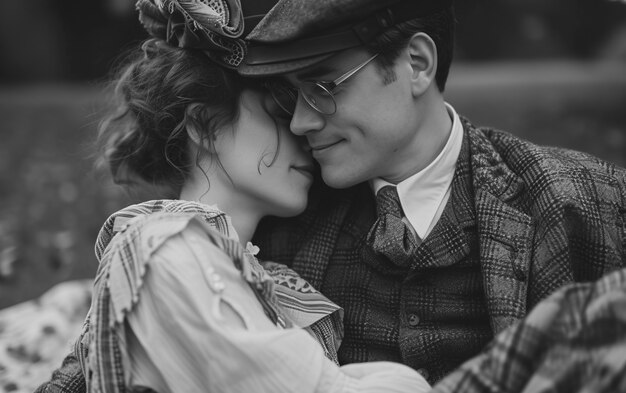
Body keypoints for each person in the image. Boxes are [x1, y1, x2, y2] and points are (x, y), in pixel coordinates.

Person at [35, 0, 432, 392]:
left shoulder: (265, 277)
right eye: (279, 112)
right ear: (205, 126)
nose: (303, 129)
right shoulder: (165, 251)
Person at [239, 0, 626, 385]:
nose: (300, 123)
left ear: (418, 64)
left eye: (322, 87)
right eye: (290, 96)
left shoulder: (586, 198)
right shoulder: (281, 222)